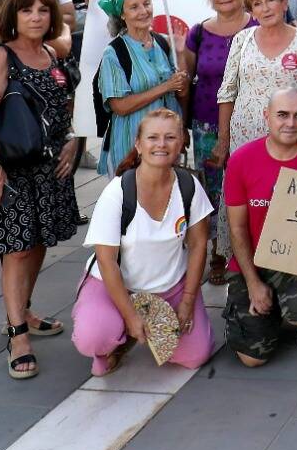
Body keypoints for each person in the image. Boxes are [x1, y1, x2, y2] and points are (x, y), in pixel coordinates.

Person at [0, 0, 83, 378]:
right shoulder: (2, 55)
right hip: (14, 168)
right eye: (27, 11)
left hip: (50, 167)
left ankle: (25, 309)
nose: (35, 16)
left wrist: (72, 140)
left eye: (42, 10)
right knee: (17, 248)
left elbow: (62, 106)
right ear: (14, 17)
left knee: (38, 243)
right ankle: (16, 333)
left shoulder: (52, 53)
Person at [74, 110, 216, 376]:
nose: (161, 144)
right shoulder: (117, 192)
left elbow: (198, 246)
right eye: (152, 137)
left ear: (181, 142)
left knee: (195, 356)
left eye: (170, 137)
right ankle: (114, 341)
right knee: (93, 336)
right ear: (138, 145)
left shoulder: (189, 186)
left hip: (168, 286)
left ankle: (142, 324)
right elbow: (106, 261)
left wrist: (188, 299)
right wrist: (129, 315)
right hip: (115, 286)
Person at [223, 89, 297, 363]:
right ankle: (263, 309)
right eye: (282, 115)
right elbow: (237, 229)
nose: (291, 123)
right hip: (252, 261)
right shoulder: (241, 160)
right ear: (267, 117)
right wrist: (253, 283)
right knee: (252, 359)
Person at [182, 0, 254, 281]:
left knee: (249, 186)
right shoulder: (198, 32)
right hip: (207, 122)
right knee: (212, 188)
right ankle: (217, 251)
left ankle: (248, 247)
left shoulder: (257, 27)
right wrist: (184, 125)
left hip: (250, 121)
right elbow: (187, 80)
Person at [215, 0, 297, 157]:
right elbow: (227, 93)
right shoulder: (242, 40)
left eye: (271, 0)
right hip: (244, 139)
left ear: (285, 4)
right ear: (252, 12)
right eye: (257, 4)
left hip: (288, 140)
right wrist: (223, 140)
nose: (265, 8)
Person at [96, 0, 188, 175]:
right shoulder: (114, 53)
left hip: (165, 143)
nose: (143, 11)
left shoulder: (163, 42)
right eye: (134, 7)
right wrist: (165, 86)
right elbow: (119, 106)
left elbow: (181, 92)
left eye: (146, 4)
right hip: (130, 145)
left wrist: (180, 54)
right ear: (122, 15)